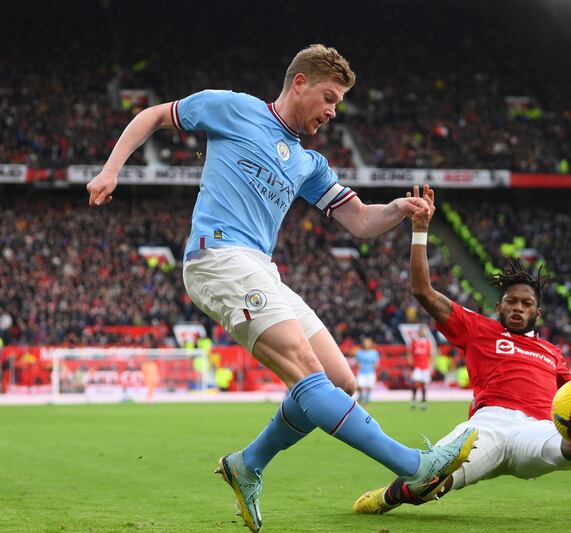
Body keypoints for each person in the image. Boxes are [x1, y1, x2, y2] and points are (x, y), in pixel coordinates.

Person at [86, 44, 477, 532]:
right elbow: (153, 116)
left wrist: (400, 209)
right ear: (300, 83)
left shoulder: (310, 164)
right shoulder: (234, 108)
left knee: (340, 383)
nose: (333, 112)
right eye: (329, 98)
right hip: (218, 257)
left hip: (261, 269)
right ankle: (415, 466)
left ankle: (247, 465)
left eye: (338, 104)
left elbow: (357, 221)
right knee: (309, 373)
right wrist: (111, 168)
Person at [353, 185, 571, 515]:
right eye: (511, 301)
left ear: (538, 312)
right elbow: (422, 290)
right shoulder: (478, 328)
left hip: (538, 429)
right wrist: (420, 230)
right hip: (487, 425)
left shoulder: (551, 352)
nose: (518, 307)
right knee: (429, 480)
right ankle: (387, 498)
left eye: (526, 303)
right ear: (500, 305)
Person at [408, 324, 434, 410]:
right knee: (415, 383)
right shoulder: (414, 342)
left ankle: (423, 401)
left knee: (424, 384)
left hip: (425, 367)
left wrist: (431, 367)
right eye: (420, 331)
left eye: (423, 331)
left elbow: (430, 355)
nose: (422, 332)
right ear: (418, 332)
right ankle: (414, 399)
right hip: (417, 366)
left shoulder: (427, 342)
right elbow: (410, 353)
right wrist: (410, 364)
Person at [354, 337, 380, 404]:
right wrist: (358, 365)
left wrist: (374, 366)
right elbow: (357, 362)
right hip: (361, 372)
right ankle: (361, 396)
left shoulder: (374, 353)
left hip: (370, 372)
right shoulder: (359, 352)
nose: (366, 344)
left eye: (368, 342)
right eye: (365, 342)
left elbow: (377, 363)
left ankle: (367, 400)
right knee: (360, 386)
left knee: (369, 387)